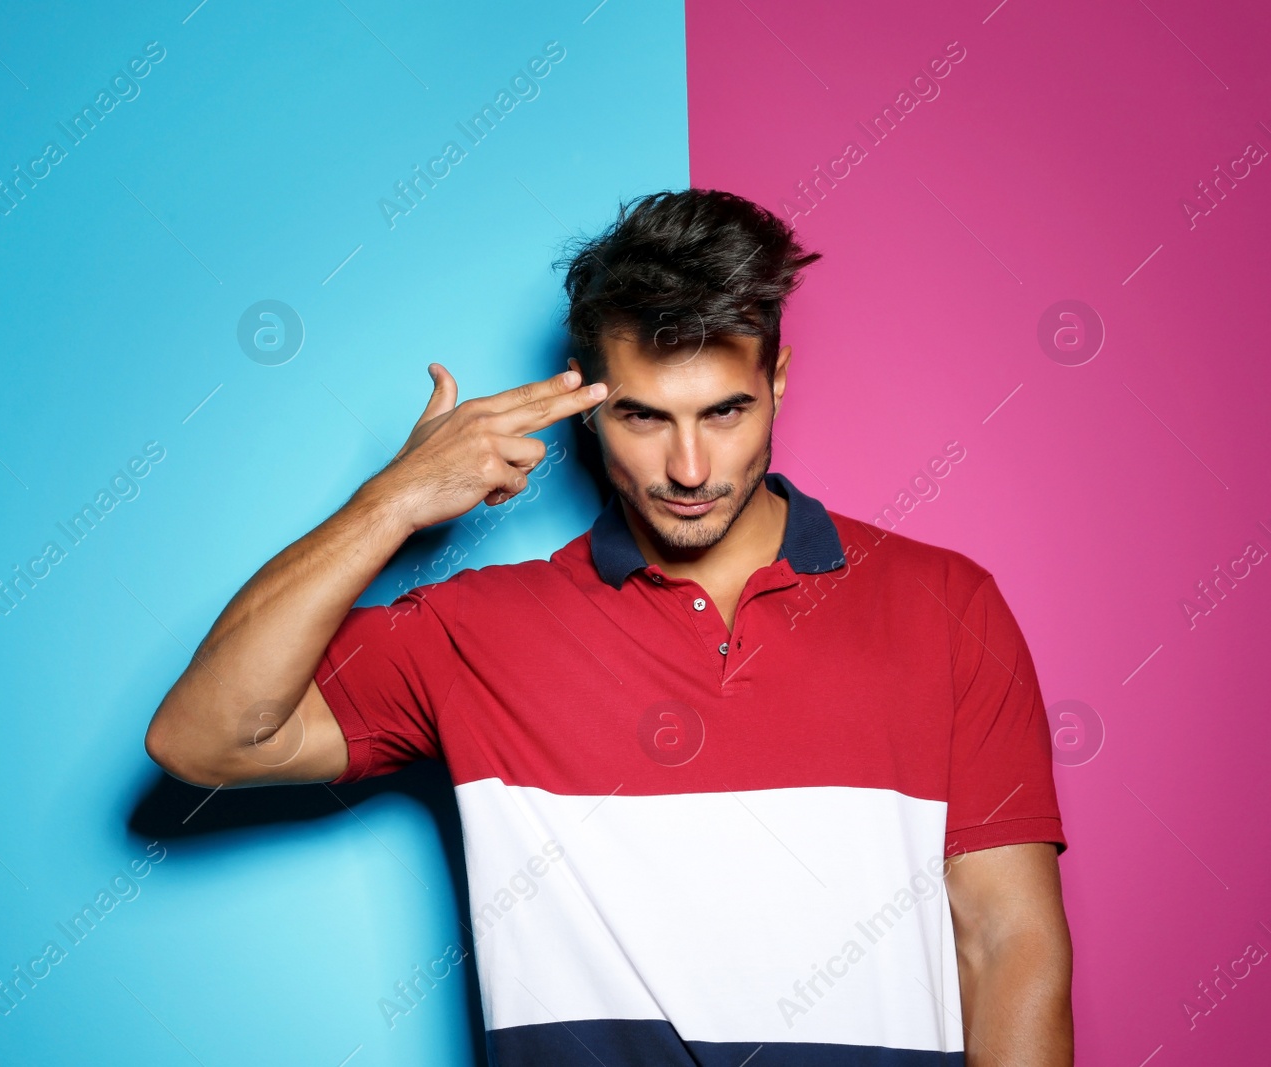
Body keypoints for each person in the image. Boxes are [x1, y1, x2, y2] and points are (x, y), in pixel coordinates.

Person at [145, 189, 1073, 1065]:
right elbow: (202, 736)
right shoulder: (475, 629)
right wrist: (387, 504)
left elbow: (1007, 939)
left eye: (726, 411)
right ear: (587, 400)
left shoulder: (946, 604)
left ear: (778, 380)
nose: (690, 465)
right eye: (643, 416)